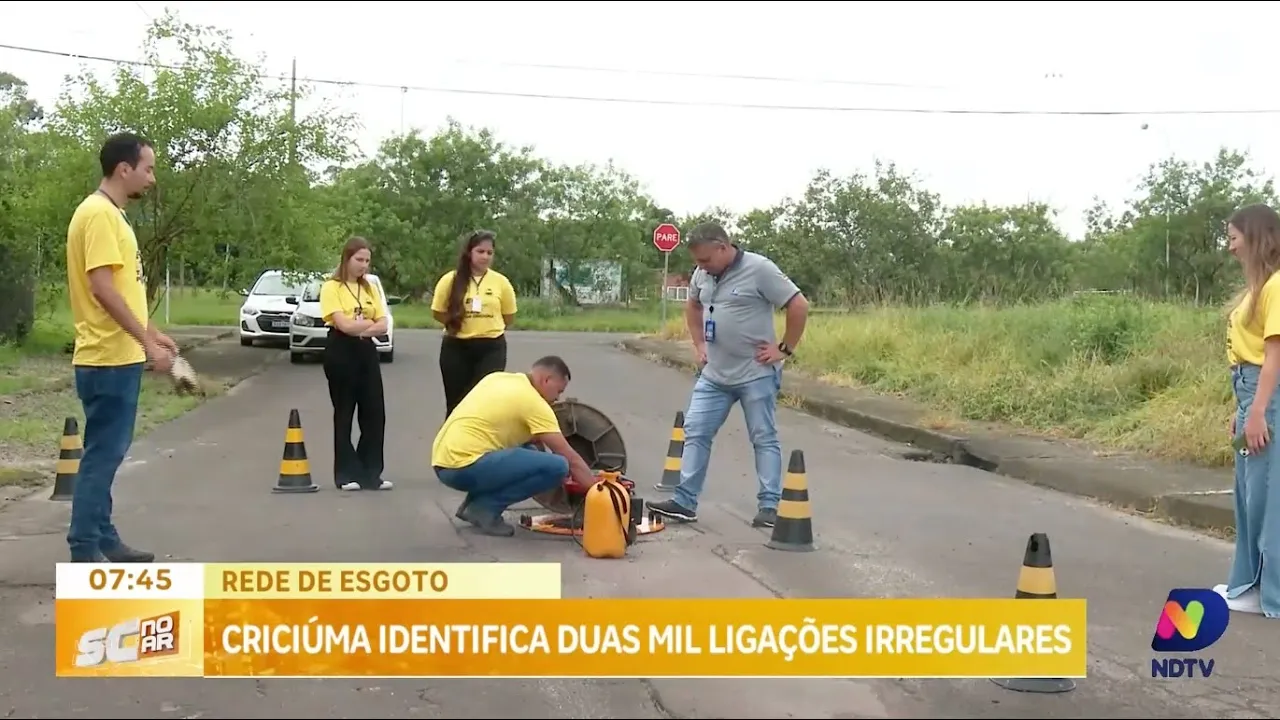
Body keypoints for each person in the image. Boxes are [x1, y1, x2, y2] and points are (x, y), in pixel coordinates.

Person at [648, 222, 810, 529]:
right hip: (714, 375)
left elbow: (798, 304)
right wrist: (698, 343)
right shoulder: (703, 274)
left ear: (724, 248)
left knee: (763, 437)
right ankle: (684, 501)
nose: (701, 267)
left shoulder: (760, 269)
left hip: (756, 373)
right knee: (695, 431)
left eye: (706, 260)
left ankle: (769, 506)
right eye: (697, 262)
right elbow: (693, 305)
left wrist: (784, 349)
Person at [65, 131, 179, 563]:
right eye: (147, 168)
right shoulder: (98, 215)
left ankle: (104, 537)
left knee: (105, 455)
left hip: (118, 355)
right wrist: (145, 343)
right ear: (123, 169)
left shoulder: (112, 215)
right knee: (102, 458)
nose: (152, 178)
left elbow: (124, 289)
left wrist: (152, 332)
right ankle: (85, 547)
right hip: (108, 359)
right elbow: (102, 289)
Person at [431, 356, 596, 537]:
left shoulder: (497, 379)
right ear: (546, 380)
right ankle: (484, 508)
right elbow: (570, 459)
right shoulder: (534, 403)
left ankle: (473, 505)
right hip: (463, 467)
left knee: (530, 450)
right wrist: (599, 492)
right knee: (558, 466)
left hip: (443, 462)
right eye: (558, 391)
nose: (557, 398)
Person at [1217, 202, 1280, 618]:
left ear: (1254, 237)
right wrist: (1241, 410)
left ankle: (1264, 589)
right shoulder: (1257, 288)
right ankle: (1246, 580)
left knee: (1265, 493)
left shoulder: (1276, 286)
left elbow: (1274, 353)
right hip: (1249, 393)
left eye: (1234, 238)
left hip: (1264, 393)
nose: (1229, 247)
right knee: (1245, 487)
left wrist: (1257, 411)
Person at [319, 236, 391, 492]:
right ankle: (346, 472)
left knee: (374, 412)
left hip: (366, 350)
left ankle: (371, 471)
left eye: (367, 261)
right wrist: (365, 327)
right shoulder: (332, 287)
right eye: (359, 259)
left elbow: (384, 323)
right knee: (345, 412)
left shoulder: (369, 288)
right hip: (341, 350)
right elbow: (344, 325)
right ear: (347, 258)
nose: (363, 265)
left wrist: (363, 329)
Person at [431, 230, 518, 416]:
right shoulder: (450, 280)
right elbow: (438, 312)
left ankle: (483, 444)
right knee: (457, 404)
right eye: (480, 251)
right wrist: (457, 323)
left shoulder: (501, 282)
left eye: (489, 253)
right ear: (469, 252)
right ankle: (453, 443)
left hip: (491, 347)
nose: (485, 257)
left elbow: (509, 316)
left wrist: (486, 325)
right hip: (457, 347)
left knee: (484, 402)